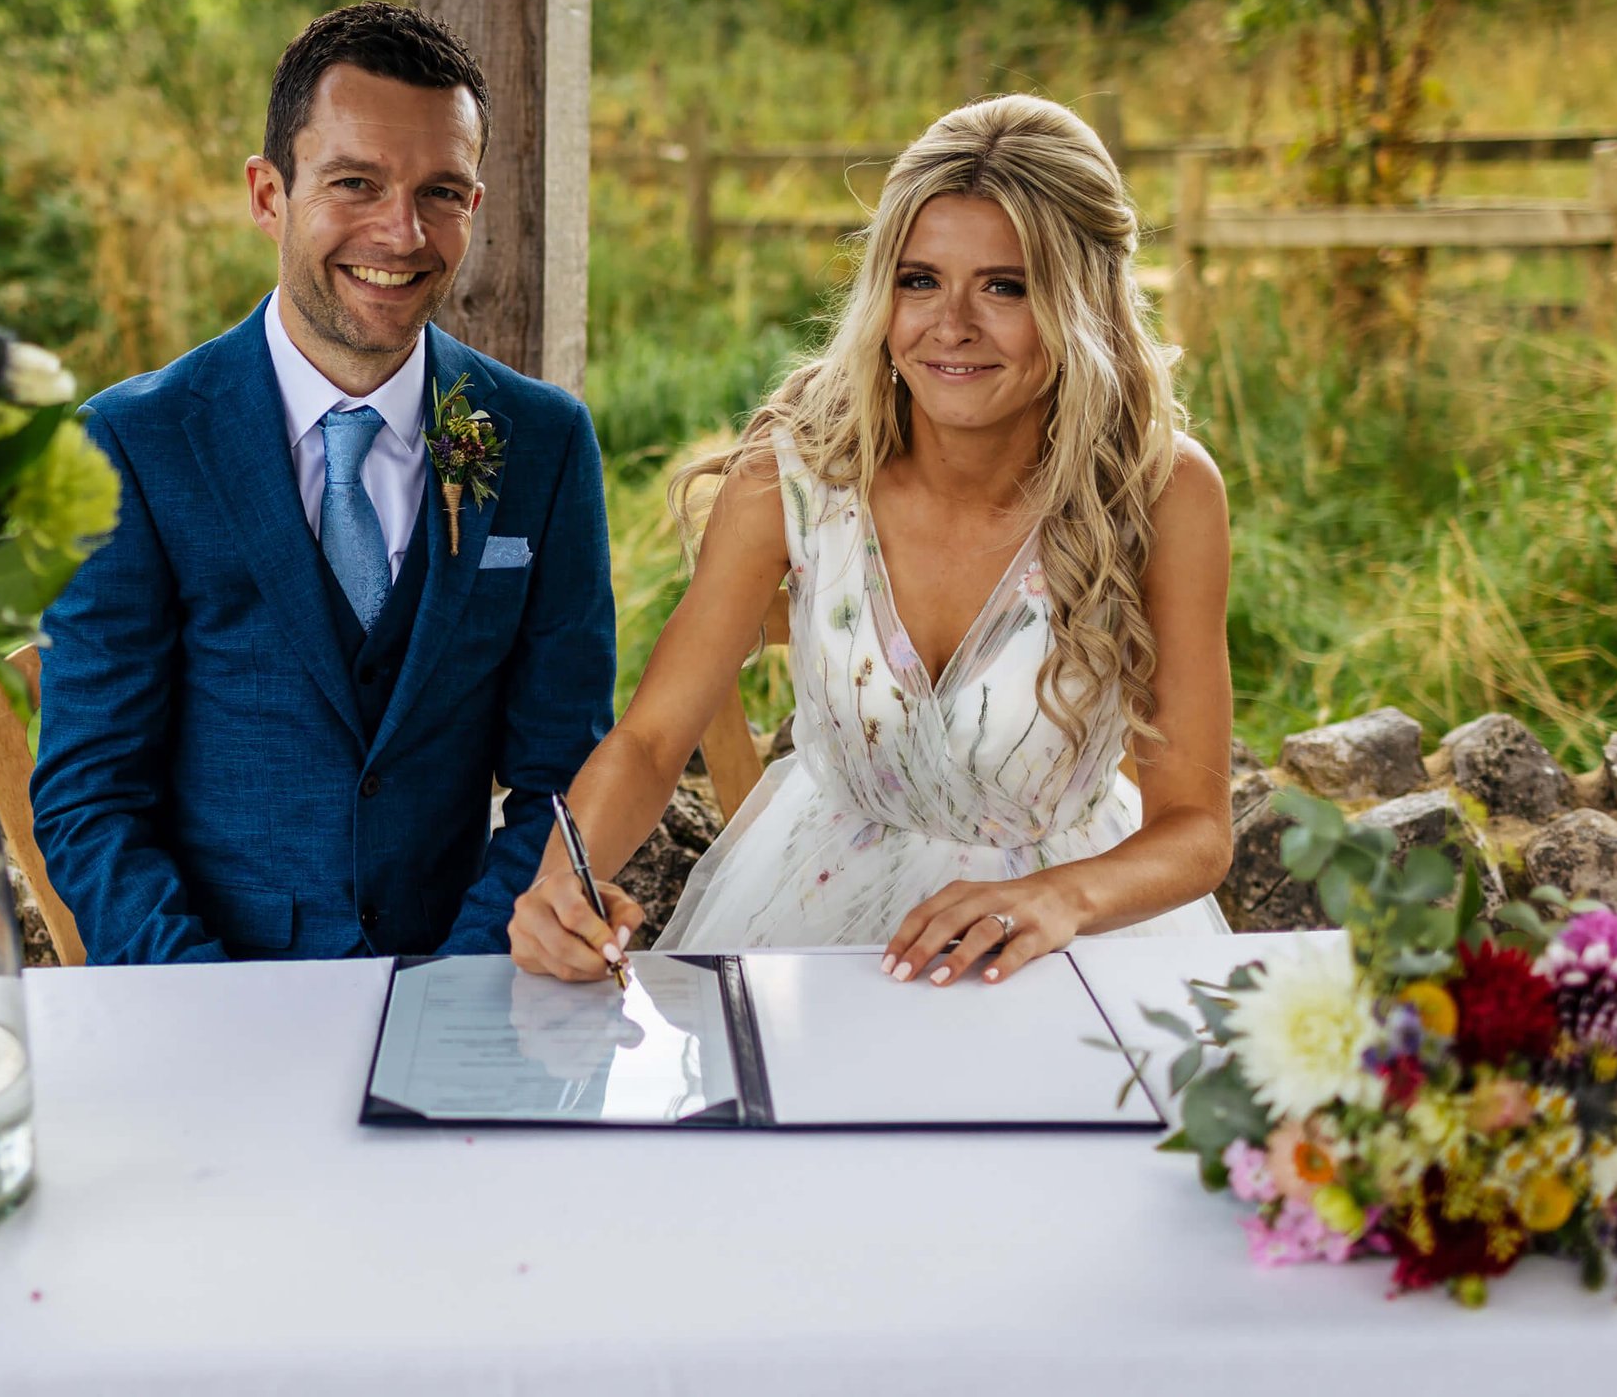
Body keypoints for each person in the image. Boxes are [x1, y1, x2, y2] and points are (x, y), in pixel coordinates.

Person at [510, 94, 1232, 986]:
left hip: (1071, 941)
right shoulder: (795, 473)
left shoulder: (1161, 491)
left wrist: (1061, 896)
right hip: (821, 931)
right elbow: (655, 741)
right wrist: (559, 886)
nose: (951, 323)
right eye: (919, 280)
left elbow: (1197, 828)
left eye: (1005, 286)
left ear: (1080, 300)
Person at [31, 2, 616, 963]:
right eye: (355, 183)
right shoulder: (132, 445)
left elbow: (562, 774)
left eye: (441, 192)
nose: (401, 233)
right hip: (217, 998)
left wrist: (464, 981)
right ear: (269, 194)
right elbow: (92, 800)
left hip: (458, 983)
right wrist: (213, 999)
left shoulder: (541, 443)